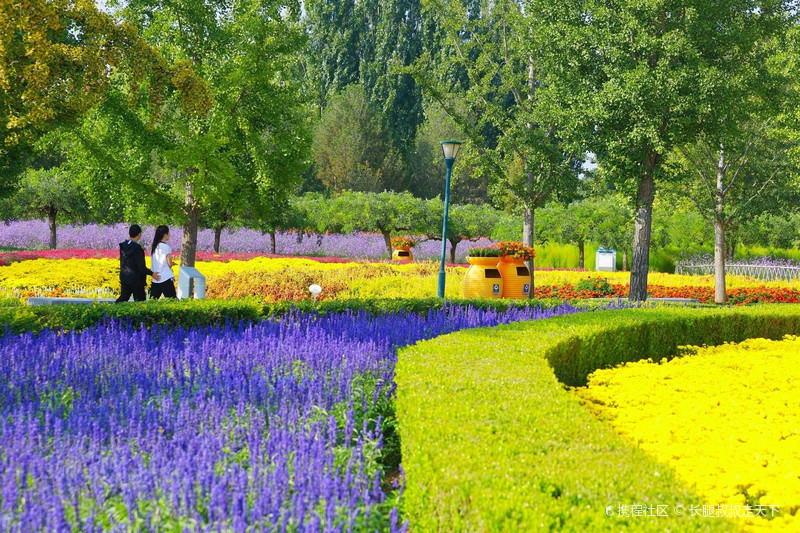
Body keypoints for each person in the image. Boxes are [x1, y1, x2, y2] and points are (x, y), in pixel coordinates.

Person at [116, 224, 160, 303]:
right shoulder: (137, 249)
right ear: (139, 234)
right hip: (136, 279)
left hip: (125, 277)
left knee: (123, 298)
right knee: (140, 302)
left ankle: (111, 312)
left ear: (129, 233)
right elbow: (141, 266)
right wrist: (152, 273)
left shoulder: (123, 246)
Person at [150, 225, 177, 299]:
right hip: (165, 277)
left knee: (152, 302)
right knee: (172, 301)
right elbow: (169, 263)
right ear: (165, 235)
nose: (169, 235)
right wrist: (173, 263)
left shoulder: (154, 247)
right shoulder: (166, 247)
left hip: (156, 278)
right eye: (168, 233)